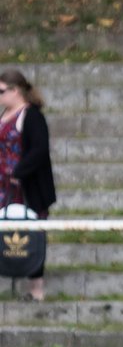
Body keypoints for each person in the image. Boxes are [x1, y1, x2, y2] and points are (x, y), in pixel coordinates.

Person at [0, 70, 55, 302]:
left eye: (2, 91)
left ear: (16, 91)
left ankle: (36, 289)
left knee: (31, 234)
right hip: (2, 187)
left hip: (26, 187)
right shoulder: (4, 113)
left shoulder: (32, 116)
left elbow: (40, 150)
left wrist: (18, 173)